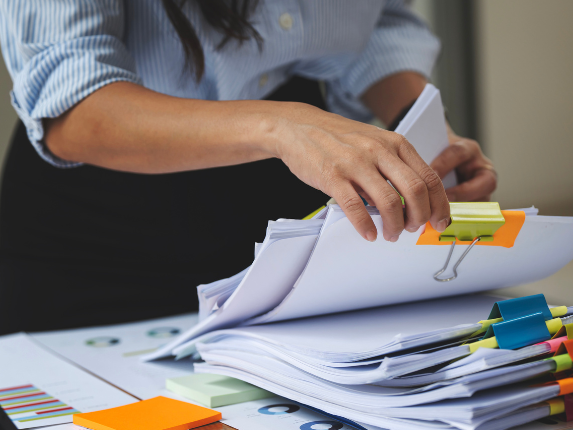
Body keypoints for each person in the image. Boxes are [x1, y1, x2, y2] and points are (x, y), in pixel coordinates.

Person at [0, 1, 497, 335]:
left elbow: (377, 23)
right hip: (101, 216)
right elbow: (70, 105)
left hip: (286, 187)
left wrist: (417, 133)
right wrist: (283, 129)